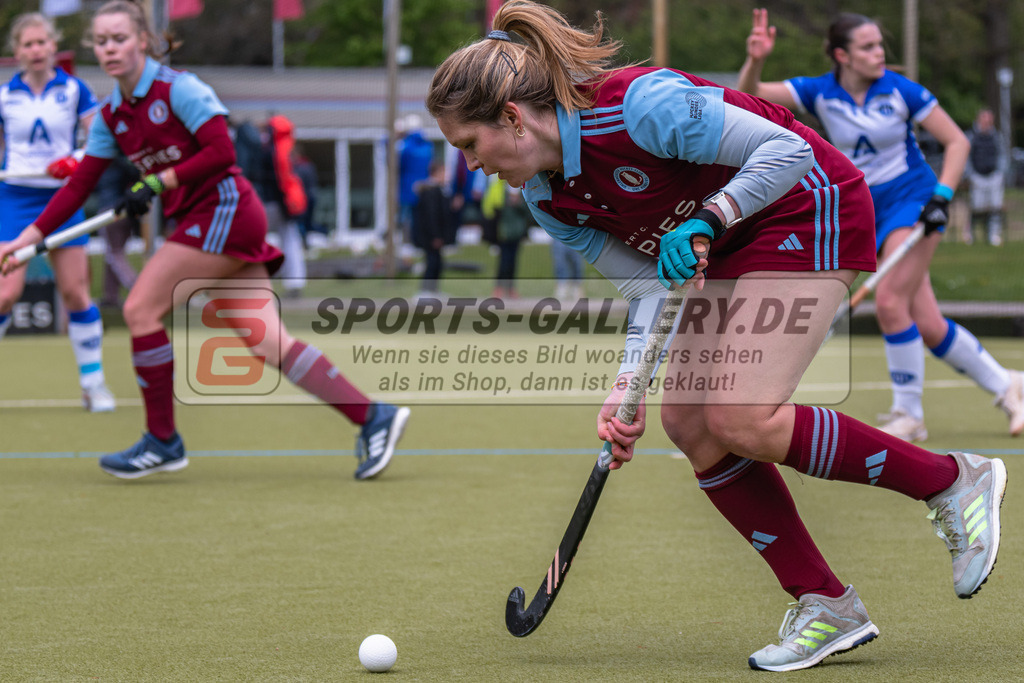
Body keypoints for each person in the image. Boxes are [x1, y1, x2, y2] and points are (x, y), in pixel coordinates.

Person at [426, 0, 1006, 672]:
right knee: (691, 423)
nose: (470, 165)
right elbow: (648, 287)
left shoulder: (639, 106)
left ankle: (951, 480)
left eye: (468, 145)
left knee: (741, 413)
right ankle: (825, 602)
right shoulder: (549, 200)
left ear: (510, 117)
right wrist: (626, 388)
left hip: (806, 201)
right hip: (728, 240)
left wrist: (707, 216)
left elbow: (785, 149)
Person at [0, 0, 409, 481]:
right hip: (203, 220)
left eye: (119, 38)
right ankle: (372, 415)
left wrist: (158, 181)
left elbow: (222, 151)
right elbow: (78, 186)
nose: (110, 49)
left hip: (225, 211)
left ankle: (162, 440)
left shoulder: (180, 89)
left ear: (143, 40)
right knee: (267, 342)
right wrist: (24, 239)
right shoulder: (111, 115)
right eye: (101, 41)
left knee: (139, 310)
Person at [738, 9, 1024, 441]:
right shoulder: (819, 91)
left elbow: (957, 141)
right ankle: (1008, 385)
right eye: (868, 47)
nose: (879, 54)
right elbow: (750, 96)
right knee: (926, 322)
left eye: (880, 45)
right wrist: (756, 58)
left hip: (912, 201)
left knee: (890, 302)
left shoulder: (901, 91)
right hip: (864, 209)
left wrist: (942, 198)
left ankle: (909, 415)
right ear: (842, 55)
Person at [0, 12, 115, 412]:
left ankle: (93, 384)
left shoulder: (75, 90)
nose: (35, 50)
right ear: (16, 52)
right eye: (26, 44)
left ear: (53, 47)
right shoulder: (4, 95)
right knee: (4, 294)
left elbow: (100, 139)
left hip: (63, 199)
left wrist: (75, 160)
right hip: (14, 198)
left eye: (41, 43)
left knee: (74, 291)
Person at [964, 108, 1006, 246]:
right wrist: (970, 175)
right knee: (977, 207)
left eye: (989, 120)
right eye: (985, 119)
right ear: (979, 119)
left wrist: (1000, 172)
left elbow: (1002, 155)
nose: (987, 122)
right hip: (977, 176)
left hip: (994, 176)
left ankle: (993, 234)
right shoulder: (972, 136)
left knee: (995, 206)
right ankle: (970, 233)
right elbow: (967, 157)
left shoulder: (996, 137)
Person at [410, 160, 451, 294]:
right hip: (430, 236)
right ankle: (425, 291)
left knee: (437, 262)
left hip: (435, 235)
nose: (447, 176)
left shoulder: (440, 191)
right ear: (436, 173)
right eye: (444, 172)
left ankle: (434, 290)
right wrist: (436, 236)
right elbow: (431, 216)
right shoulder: (430, 192)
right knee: (432, 262)